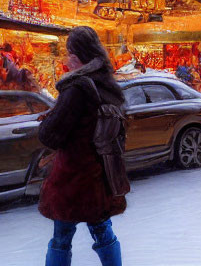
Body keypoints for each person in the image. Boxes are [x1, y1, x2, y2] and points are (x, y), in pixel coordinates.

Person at [38, 26, 125, 266]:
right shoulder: (105, 83)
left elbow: (50, 136)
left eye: (68, 54)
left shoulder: (76, 88)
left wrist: (47, 121)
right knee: (103, 231)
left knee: (61, 238)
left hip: (73, 178)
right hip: (99, 175)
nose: (66, 60)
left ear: (76, 57)